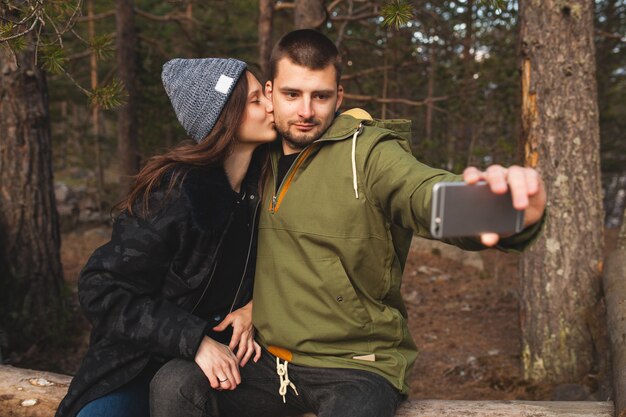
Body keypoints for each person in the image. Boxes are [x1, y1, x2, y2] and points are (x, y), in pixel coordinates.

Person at [151, 30, 546, 417]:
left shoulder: (370, 155)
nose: (306, 111)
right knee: (176, 384)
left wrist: (502, 210)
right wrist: (256, 305)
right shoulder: (256, 156)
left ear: (338, 97)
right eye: (292, 94)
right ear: (269, 93)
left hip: (355, 366)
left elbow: (421, 193)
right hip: (268, 363)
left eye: (320, 96)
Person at [55, 57, 276, 417]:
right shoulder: (175, 193)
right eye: (255, 100)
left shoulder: (265, 188)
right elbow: (101, 288)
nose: (270, 105)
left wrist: (256, 308)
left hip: (216, 374)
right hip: (137, 366)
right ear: (224, 117)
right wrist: (195, 340)